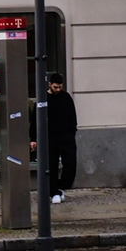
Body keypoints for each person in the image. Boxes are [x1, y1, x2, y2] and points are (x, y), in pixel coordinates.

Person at [41, 74, 78, 205]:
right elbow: (36, 119)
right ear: (50, 84)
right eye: (55, 87)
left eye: (60, 87)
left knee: (71, 163)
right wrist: (34, 138)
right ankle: (54, 191)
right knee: (51, 165)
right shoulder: (44, 99)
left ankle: (61, 186)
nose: (58, 90)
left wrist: (72, 131)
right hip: (50, 137)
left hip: (66, 136)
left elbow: (72, 116)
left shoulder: (66, 97)